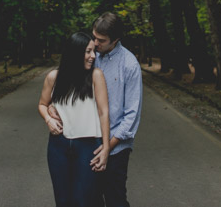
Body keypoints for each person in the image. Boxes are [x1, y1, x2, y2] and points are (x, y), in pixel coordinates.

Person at [51, 13, 143, 207]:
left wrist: (109, 146)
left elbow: (132, 116)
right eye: (94, 37)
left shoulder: (129, 65)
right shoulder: (90, 56)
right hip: (88, 144)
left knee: (115, 198)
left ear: (115, 40)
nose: (95, 43)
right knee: (89, 199)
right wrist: (52, 106)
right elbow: (69, 87)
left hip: (116, 146)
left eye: (101, 40)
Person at [39, 32, 111, 207]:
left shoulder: (96, 75)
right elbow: (42, 104)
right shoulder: (53, 77)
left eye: (93, 51)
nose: (93, 56)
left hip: (88, 147)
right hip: (58, 146)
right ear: (75, 53)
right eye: (88, 52)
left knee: (83, 200)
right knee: (63, 201)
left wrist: (106, 148)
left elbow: (104, 112)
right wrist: (48, 119)